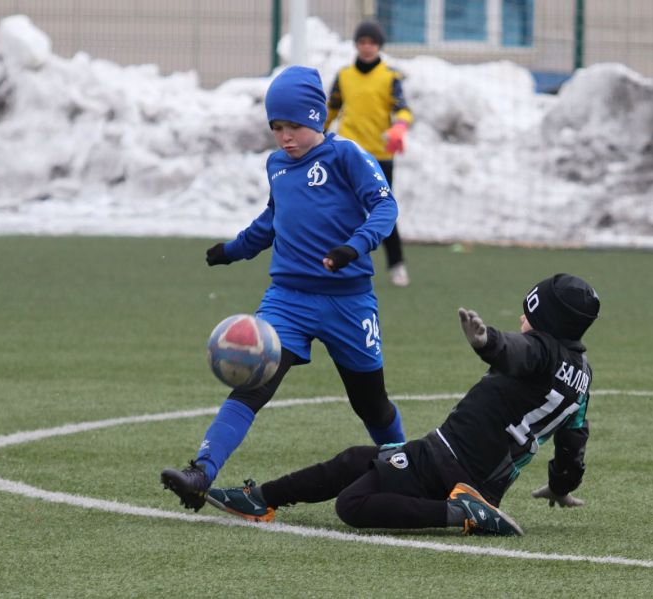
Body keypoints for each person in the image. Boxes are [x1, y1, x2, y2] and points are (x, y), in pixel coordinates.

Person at [160, 66, 407, 512]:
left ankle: (410, 470)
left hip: (349, 303)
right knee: (253, 385)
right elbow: (272, 221)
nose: (285, 136)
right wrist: (233, 250)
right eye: (276, 127)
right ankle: (202, 472)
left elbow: (385, 207)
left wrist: (353, 248)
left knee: (371, 405)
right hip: (288, 300)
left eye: (294, 125)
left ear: (317, 118)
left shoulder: (347, 156)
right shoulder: (277, 165)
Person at [203, 274, 600, 537]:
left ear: (550, 324)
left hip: (454, 465)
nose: (522, 319)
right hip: (466, 470)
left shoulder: (541, 351)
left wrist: (487, 342)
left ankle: (461, 513)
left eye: (529, 315)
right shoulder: (582, 375)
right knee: (356, 459)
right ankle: (262, 499)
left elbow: (516, 352)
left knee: (353, 503)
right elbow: (574, 442)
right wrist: (561, 484)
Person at [324, 19, 414, 287]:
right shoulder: (344, 75)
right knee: (341, 209)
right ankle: (337, 261)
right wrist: (317, 135)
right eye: (362, 42)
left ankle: (396, 265)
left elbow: (403, 108)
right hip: (348, 154)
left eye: (372, 43)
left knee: (383, 211)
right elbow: (330, 109)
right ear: (356, 45)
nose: (367, 48)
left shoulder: (390, 76)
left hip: (380, 155)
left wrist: (399, 127)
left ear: (379, 46)